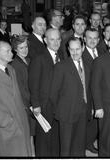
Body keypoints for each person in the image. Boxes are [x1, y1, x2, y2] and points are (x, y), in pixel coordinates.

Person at [50, 37, 91, 157]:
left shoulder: (88, 65)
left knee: (79, 143)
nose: (75, 52)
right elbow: (53, 93)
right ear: (68, 50)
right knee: (66, 147)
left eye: (77, 49)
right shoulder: (61, 66)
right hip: (66, 113)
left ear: (83, 48)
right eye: (72, 49)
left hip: (83, 111)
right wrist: (61, 110)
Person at [28, 28, 62, 157]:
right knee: (44, 139)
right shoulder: (39, 59)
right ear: (45, 40)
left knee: (56, 137)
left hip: (59, 104)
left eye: (58, 39)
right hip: (44, 105)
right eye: (52, 39)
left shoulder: (62, 56)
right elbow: (33, 84)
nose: (55, 42)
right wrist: (36, 104)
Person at [10, 35, 35, 156]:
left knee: (33, 134)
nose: (25, 50)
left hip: (33, 101)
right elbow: (21, 89)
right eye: (21, 48)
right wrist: (31, 104)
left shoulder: (29, 60)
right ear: (15, 49)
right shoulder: (15, 65)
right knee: (28, 135)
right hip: (26, 105)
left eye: (26, 47)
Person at [82, 27, 103, 154]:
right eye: (89, 38)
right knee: (88, 122)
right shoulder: (81, 54)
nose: (92, 40)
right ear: (84, 39)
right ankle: (86, 143)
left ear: (99, 39)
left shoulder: (102, 51)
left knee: (96, 122)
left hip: (101, 93)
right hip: (87, 95)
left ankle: (90, 142)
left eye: (95, 38)